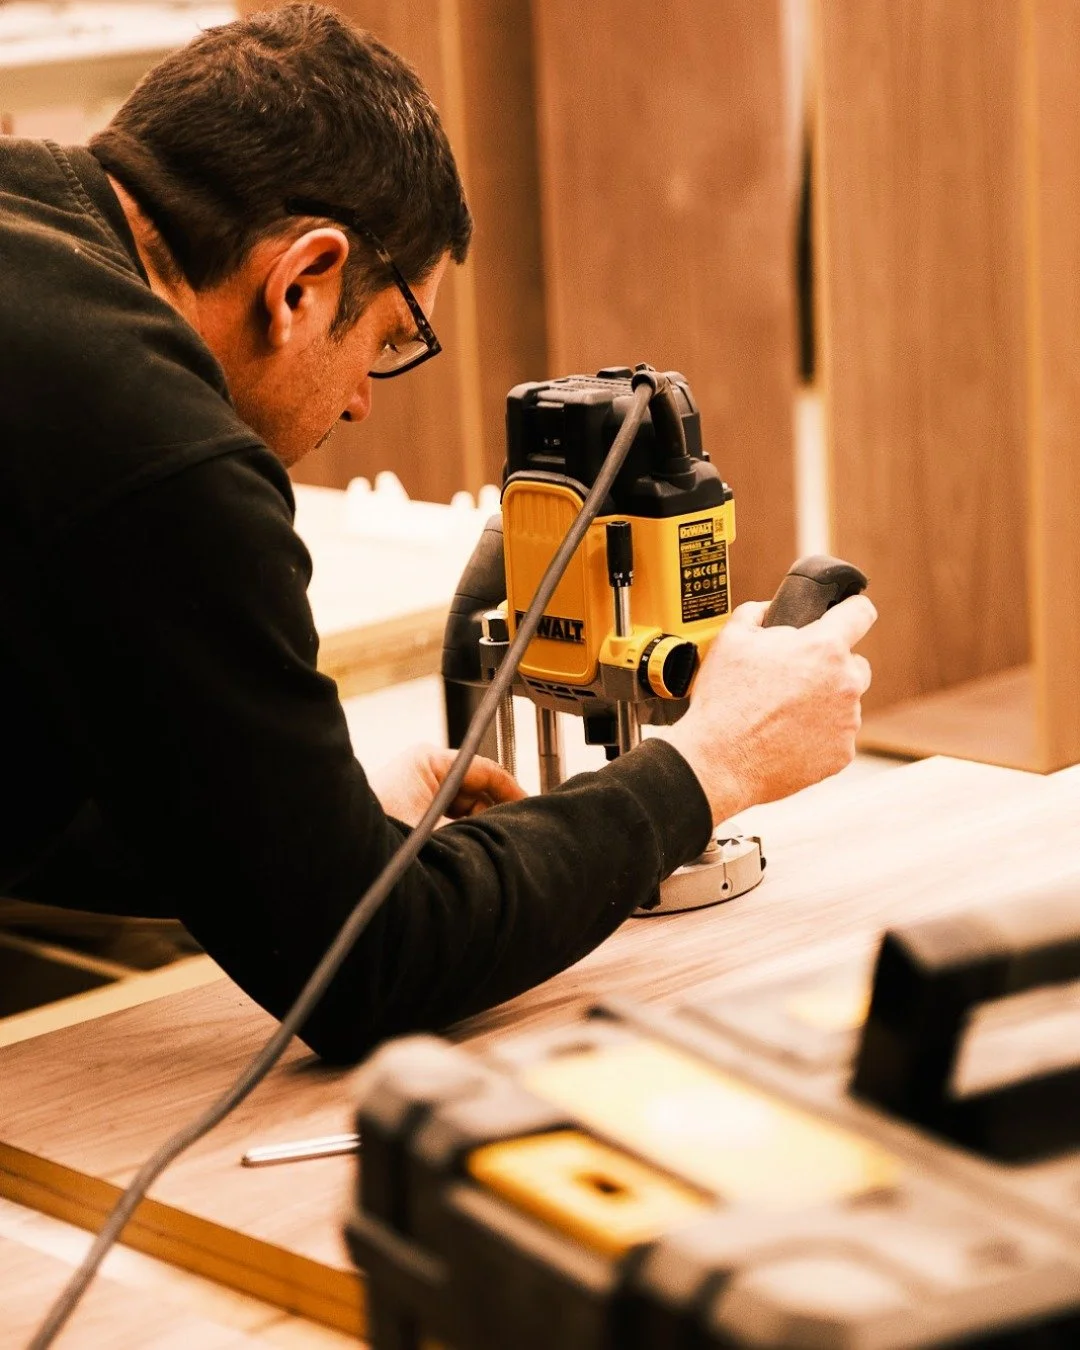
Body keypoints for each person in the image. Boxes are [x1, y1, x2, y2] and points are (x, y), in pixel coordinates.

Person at [0, 4, 874, 1062]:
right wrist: (709, 764)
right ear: (302, 281)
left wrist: (311, 828)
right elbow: (370, 965)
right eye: (387, 338)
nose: (361, 400)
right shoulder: (156, 441)